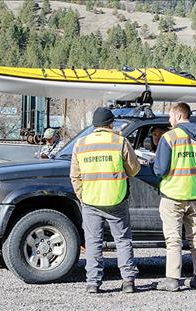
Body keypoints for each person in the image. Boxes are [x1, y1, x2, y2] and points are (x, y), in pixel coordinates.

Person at [69, 107, 141, 294]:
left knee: (93, 242)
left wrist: (82, 196)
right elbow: (134, 169)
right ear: (111, 123)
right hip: (116, 199)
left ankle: (93, 283)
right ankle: (128, 281)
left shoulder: (81, 143)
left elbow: (74, 176)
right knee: (123, 240)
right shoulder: (120, 141)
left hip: (91, 201)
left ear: (94, 125)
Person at [153, 102, 196, 291]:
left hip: (173, 195)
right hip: (195, 195)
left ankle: (172, 280)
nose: (169, 120)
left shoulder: (170, 137)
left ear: (179, 116)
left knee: (174, 239)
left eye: (170, 116)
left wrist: (153, 164)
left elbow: (161, 169)